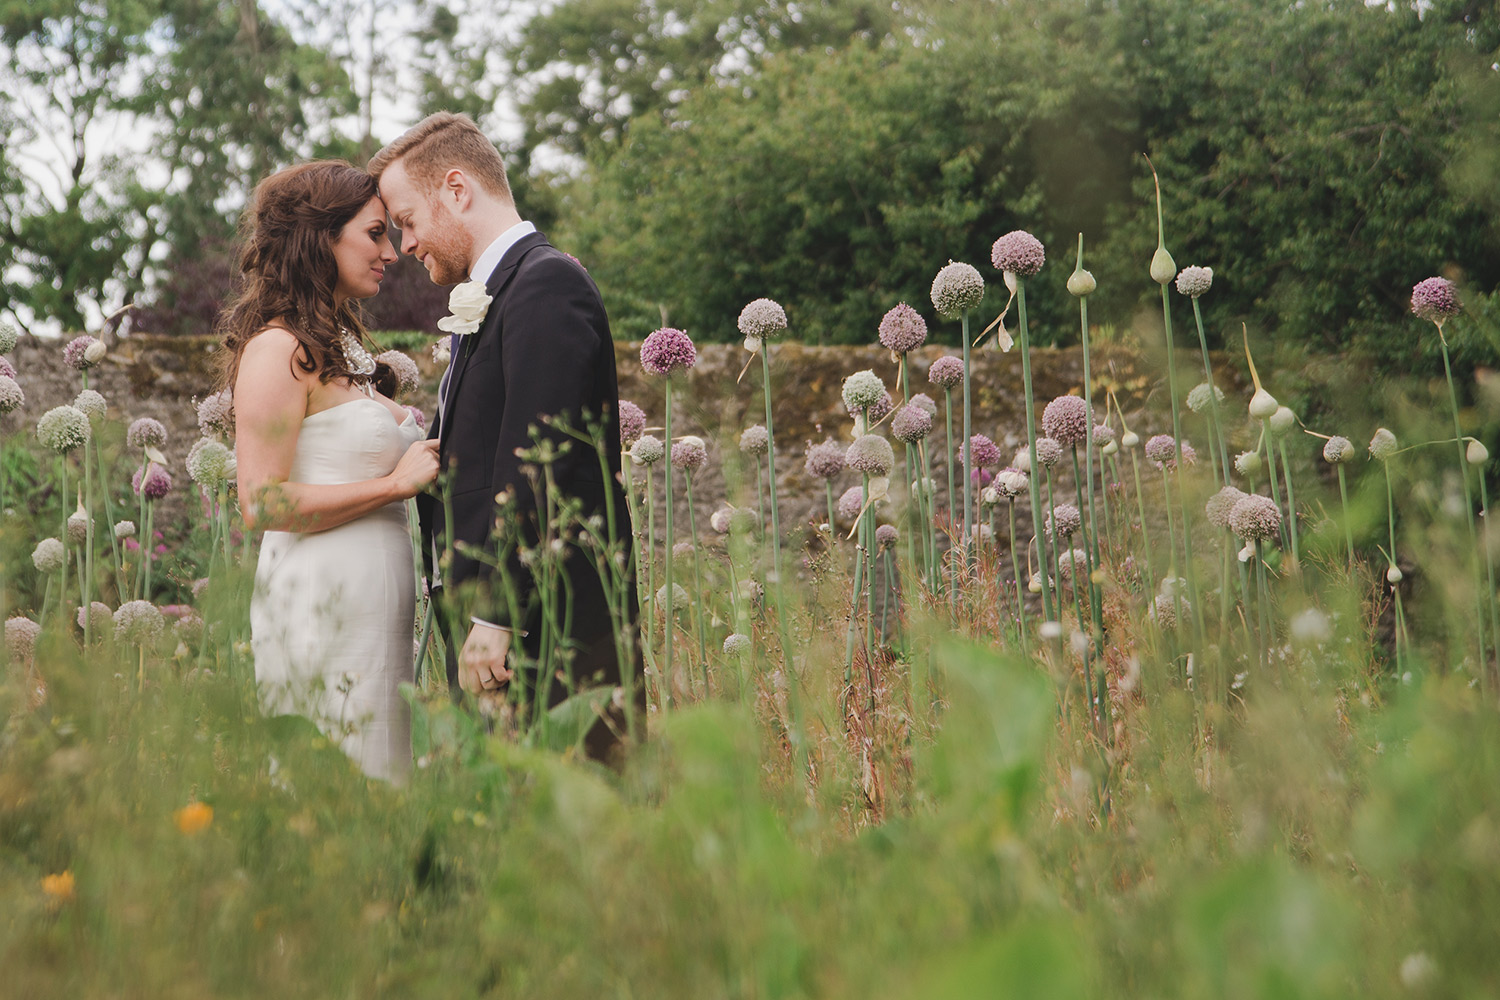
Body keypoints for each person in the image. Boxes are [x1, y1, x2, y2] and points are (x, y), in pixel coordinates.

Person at [369, 113, 641, 763]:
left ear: (457, 189)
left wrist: (495, 613)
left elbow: (540, 461)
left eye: (407, 220)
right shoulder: (504, 293)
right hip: (510, 637)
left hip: (545, 630)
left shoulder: (545, 284)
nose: (406, 244)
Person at [218, 161, 441, 783]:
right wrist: (394, 486)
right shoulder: (277, 349)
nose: (391, 252)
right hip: (320, 603)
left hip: (375, 605)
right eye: (374, 234)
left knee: (383, 781)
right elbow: (261, 503)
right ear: (321, 238)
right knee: (330, 784)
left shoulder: (341, 348)